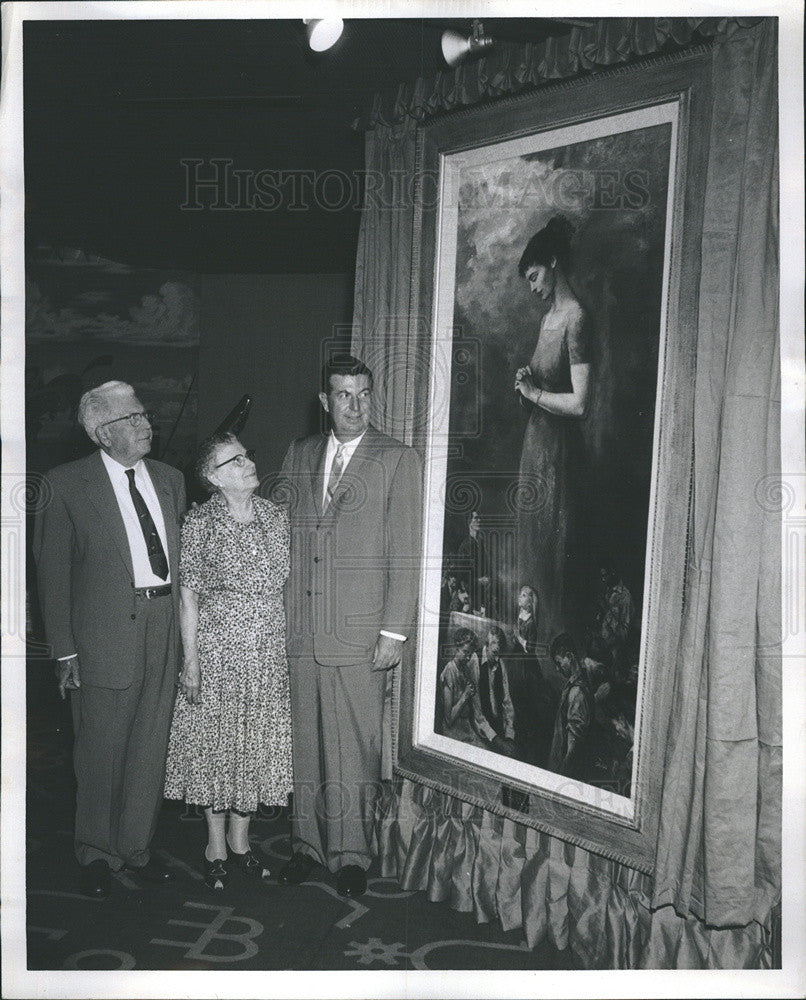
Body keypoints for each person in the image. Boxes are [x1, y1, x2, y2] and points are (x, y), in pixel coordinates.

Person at [33, 380, 186, 899]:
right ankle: (96, 852)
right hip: (100, 638)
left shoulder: (170, 479)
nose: (147, 425)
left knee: (149, 746)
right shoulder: (66, 484)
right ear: (103, 433)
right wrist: (64, 650)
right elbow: (51, 573)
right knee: (99, 750)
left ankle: (135, 849)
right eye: (133, 418)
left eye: (145, 415)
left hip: (163, 627)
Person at [277, 354, 422, 898]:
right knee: (306, 747)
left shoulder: (396, 459)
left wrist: (394, 631)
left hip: (361, 635)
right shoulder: (299, 454)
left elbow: (406, 553)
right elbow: (281, 539)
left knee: (354, 750)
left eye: (364, 394)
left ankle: (351, 855)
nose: (356, 406)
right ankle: (306, 847)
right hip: (301, 632)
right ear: (325, 401)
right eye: (344, 395)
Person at [163, 433, 293, 890]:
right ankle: (215, 845)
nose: (247, 464)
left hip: (267, 653)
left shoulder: (277, 518)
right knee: (216, 749)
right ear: (212, 478)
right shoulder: (199, 523)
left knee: (254, 748)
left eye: (247, 455)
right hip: (218, 651)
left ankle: (242, 843)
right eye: (234, 461)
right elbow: (188, 597)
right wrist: (191, 661)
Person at [514, 216, 592, 645]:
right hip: (536, 448)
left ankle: (554, 659)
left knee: (555, 557)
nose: (533, 287)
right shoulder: (548, 320)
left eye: (535, 275)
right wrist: (527, 385)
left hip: (560, 455)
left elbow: (580, 404)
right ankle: (529, 656)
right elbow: (544, 383)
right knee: (533, 549)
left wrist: (535, 393)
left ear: (554, 262)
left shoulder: (576, 318)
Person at [548, 632, 593, 780]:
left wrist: (561, 774)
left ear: (570, 656)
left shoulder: (576, 692)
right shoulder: (581, 681)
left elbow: (572, 748)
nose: (557, 668)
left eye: (559, 662)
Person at [470, 625, 517, 757]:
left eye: (499, 644)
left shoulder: (500, 663)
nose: (497, 648)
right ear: (487, 645)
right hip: (480, 730)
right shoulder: (475, 660)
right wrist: (498, 741)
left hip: (496, 727)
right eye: (494, 643)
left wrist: (509, 737)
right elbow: (477, 713)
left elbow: (507, 704)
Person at [439, 627, 485, 748]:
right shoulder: (449, 671)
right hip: (453, 732)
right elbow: (448, 720)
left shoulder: (464, 669)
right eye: (465, 652)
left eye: (470, 654)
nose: (468, 658)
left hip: (466, 728)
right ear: (456, 648)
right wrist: (465, 695)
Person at [456, 510, 492, 615]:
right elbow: (462, 575)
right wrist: (479, 580)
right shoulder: (465, 546)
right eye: (476, 518)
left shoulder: (480, 544)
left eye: (479, 518)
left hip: (482, 593)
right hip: (470, 594)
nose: (479, 520)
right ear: (469, 522)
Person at [515, 584, 539, 656]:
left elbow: (530, 648)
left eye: (524, 595)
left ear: (530, 603)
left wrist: (519, 638)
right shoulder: (520, 617)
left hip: (526, 659)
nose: (519, 597)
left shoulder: (530, 623)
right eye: (520, 594)